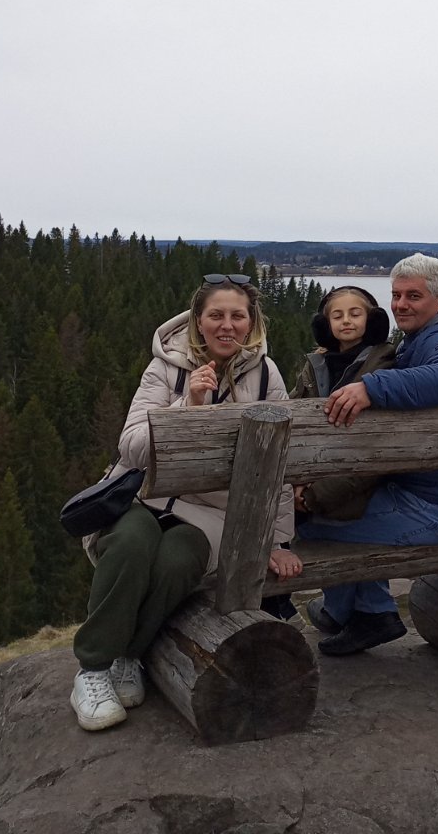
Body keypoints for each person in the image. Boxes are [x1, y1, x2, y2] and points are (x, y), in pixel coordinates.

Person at [70, 274, 302, 731]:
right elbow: (131, 447)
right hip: (143, 496)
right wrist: (187, 406)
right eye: (216, 315)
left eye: (238, 316)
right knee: (131, 545)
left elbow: (278, 463)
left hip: (209, 512)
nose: (227, 325)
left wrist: (277, 541)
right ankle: (92, 669)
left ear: (251, 322)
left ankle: (129, 657)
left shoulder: (266, 375)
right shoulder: (166, 367)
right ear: (198, 320)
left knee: (179, 560)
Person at [298, 254, 438, 656]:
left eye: (413, 296)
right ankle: (347, 610)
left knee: (314, 522)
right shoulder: (429, 332)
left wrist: (371, 387)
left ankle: (366, 612)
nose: (401, 304)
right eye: (397, 295)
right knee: (345, 505)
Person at [290, 285, 397, 522]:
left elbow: (373, 448)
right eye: (337, 316)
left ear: (372, 320)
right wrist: (296, 480)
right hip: (307, 473)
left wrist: (315, 495)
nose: (346, 321)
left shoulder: (383, 364)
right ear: (325, 325)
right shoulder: (316, 364)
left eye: (355, 314)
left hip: (346, 495)